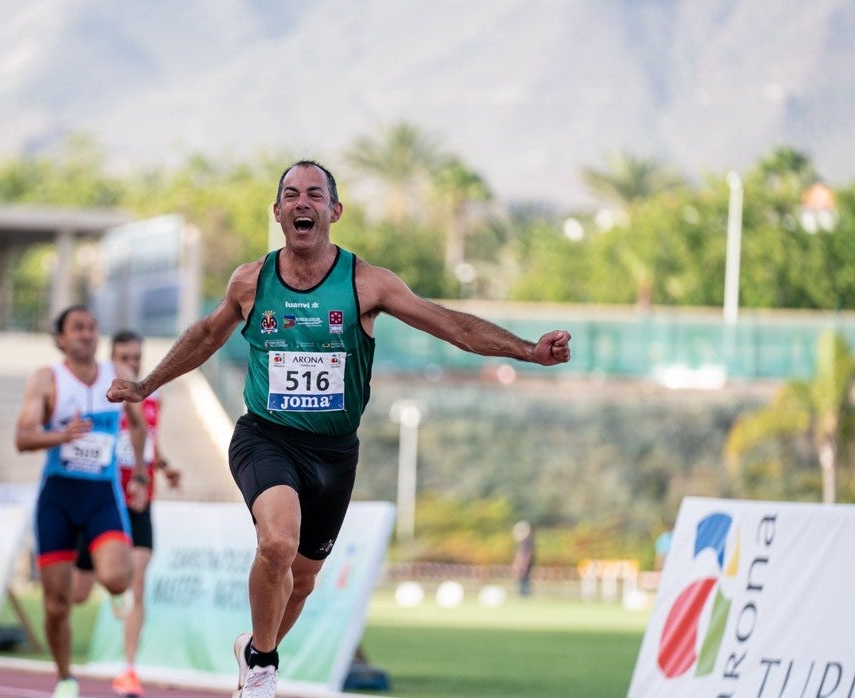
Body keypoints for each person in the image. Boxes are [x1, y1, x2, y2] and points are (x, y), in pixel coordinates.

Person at [107, 160, 572, 698]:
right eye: (290, 194)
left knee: (302, 580)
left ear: (334, 210)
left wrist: (527, 351)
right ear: (277, 212)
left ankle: (255, 651)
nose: (301, 202)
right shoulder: (251, 281)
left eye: (313, 194)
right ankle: (260, 673)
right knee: (277, 542)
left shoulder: (366, 283)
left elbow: (450, 325)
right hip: (266, 435)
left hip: (333, 453)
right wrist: (145, 384)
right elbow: (206, 335)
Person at [15, 305, 149, 698]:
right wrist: (61, 435)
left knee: (116, 577)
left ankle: (116, 588)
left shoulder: (118, 376)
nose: (87, 334)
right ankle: (65, 677)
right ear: (60, 338)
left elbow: (138, 425)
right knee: (57, 605)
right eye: (77, 328)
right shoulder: (46, 380)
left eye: (92, 327)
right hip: (58, 496)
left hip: (101, 495)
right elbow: (22, 438)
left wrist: (139, 474)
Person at [70, 330, 182, 697]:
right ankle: (100, 573)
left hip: (140, 500)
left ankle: (129, 669)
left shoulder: (153, 394)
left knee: (137, 582)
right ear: (111, 357)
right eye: (124, 356)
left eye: (136, 356)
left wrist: (163, 466)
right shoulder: (98, 394)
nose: (131, 363)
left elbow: (149, 437)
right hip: (101, 502)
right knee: (77, 593)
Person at [512, 520, 535, 598]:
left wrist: (522, 566)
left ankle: (524, 597)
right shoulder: (525, 542)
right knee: (523, 583)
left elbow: (525, 555)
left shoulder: (526, 543)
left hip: (524, 568)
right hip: (523, 567)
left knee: (524, 583)